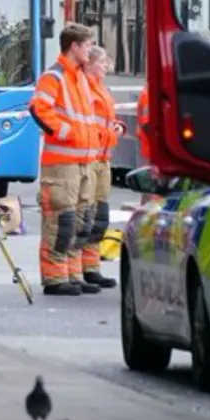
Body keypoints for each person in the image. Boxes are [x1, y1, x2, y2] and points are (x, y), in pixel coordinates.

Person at [28, 23, 100, 296]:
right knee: (61, 221)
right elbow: (39, 109)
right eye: (88, 45)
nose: (91, 50)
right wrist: (67, 133)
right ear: (74, 46)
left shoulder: (79, 77)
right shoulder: (55, 76)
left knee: (80, 222)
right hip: (62, 163)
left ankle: (72, 273)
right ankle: (55, 278)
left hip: (82, 162)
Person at [81, 45, 121, 290]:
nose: (106, 66)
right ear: (90, 63)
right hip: (90, 158)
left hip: (102, 158)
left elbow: (108, 118)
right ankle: (84, 269)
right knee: (86, 217)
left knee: (99, 218)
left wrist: (118, 127)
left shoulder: (100, 88)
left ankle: (91, 267)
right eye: (102, 61)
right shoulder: (84, 88)